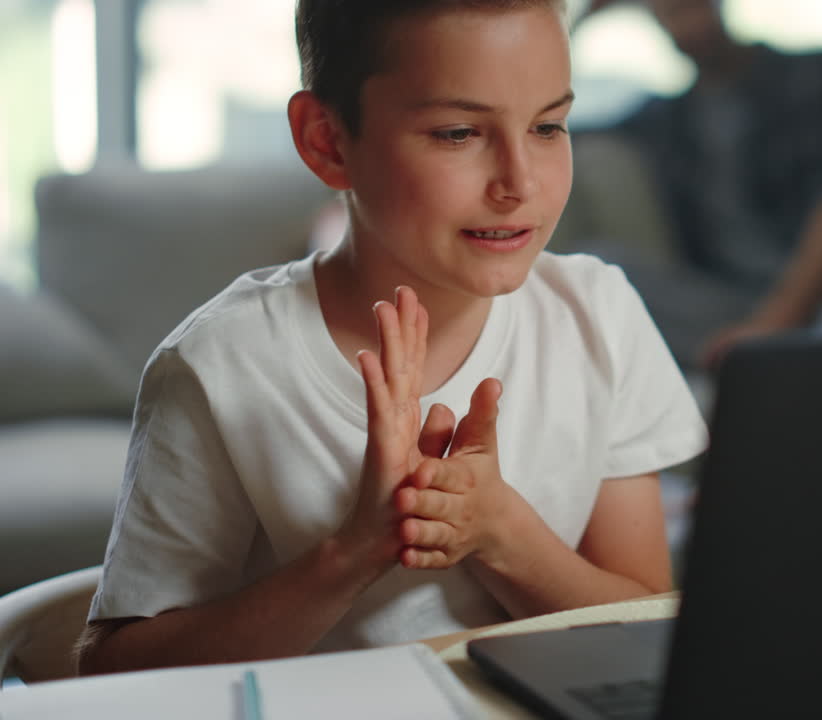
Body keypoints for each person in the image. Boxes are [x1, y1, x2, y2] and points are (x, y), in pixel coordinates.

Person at [76, 0, 706, 675]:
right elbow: (115, 672)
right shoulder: (218, 364)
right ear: (327, 140)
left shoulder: (598, 316)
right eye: (460, 132)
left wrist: (501, 532)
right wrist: (354, 551)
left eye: (549, 125)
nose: (520, 183)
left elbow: (644, 623)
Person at [579, 0, 822, 368]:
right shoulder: (666, 117)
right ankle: (764, 364)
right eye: (667, 15)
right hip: (739, 302)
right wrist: (578, 23)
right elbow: (550, 119)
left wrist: (778, 320)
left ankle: (775, 369)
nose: (686, 26)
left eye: (691, 6)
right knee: (593, 275)